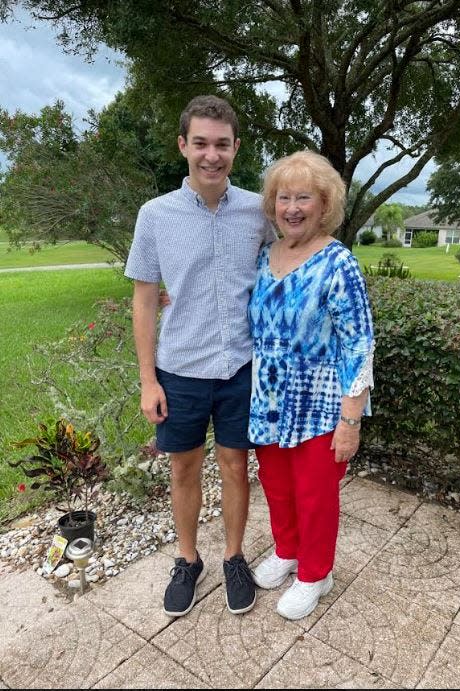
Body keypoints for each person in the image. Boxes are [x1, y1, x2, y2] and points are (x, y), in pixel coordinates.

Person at [124, 95, 276, 618]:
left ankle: (234, 556)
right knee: (184, 469)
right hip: (181, 368)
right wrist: (148, 380)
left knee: (236, 466)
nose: (212, 155)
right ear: (183, 145)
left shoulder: (260, 209)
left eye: (223, 144)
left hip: (241, 365)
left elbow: (286, 262)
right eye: (202, 143)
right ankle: (188, 560)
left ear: (236, 148)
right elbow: (144, 299)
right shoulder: (155, 215)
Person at [248, 150, 375, 620]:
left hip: (321, 405)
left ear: (324, 206)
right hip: (266, 400)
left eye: (304, 198)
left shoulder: (339, 263)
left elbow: (359, 345)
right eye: (284, 198)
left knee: (315, 496)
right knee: (277, 488)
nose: (293, 208)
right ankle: (287, 551)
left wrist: (350, 420)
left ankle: (316, 573)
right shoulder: (265, 255)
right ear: (273, 205)